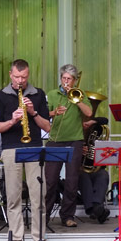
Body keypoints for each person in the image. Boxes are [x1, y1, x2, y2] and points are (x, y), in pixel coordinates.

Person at [0, 59, 51, 241]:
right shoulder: (1, 95)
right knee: (13, 198)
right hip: (11, 149)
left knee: (38, 197)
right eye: (17, 77)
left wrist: (33, 112)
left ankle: (39, 240)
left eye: (24, 77)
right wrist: (12, 120)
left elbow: (47, 127)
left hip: (35, 147)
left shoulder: (38, 94)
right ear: (10, 75)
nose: (20, 81)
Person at [45, 64, 92, 228]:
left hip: (75, 140)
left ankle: (67, 216)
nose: (66, 82)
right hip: (55, 140)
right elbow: (42, 115)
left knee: (72, 180)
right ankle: (45, 215)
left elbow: (88, 113)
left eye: (69, 79)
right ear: (60, 79)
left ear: (74, 81)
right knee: (50, 180)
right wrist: (54, 112)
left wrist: (77, 100)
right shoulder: (52, 94)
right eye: (64, 78)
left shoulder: (80, 94)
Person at [78, 117, 110, 224]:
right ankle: (97, 210)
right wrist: (79, 151)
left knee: (104, 175)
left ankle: (95, 207)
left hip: (96, 168)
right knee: (83, 176)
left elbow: (105, 120)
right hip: (81, 169)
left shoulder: (95, 128)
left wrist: (92, 122)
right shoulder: (74, 133)